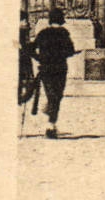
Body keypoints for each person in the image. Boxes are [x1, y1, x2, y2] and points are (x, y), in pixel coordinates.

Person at [30, 8, 77, 139]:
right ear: (61, 20)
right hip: (60, 69)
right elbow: (70, 51)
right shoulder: (64, 33)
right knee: (57, 95)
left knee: (51, 95)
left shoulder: (43, 33)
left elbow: (31, 49)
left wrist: (39, 58)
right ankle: (51, 125)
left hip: (45, 68)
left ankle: (50, 123)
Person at [18, 12, 40, 125]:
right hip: (21, 64)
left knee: (28, 87)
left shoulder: (23, 33)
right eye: (25, 21)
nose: (28, 23)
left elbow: (28, 48)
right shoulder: (18, 34)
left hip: (25, 63)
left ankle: (20, 100)